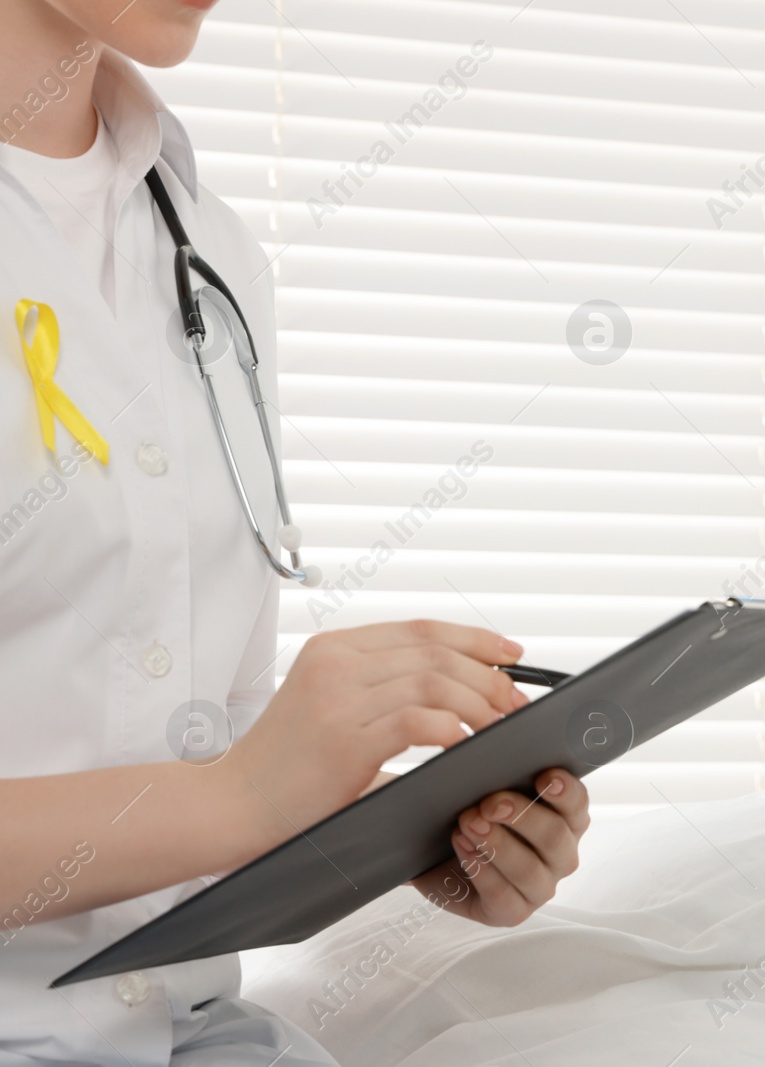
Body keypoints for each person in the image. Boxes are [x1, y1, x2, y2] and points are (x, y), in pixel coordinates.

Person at [0, 2, 588, 1062]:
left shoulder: (207, 249)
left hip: (194, 1032)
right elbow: (219, 788)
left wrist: (395, 836)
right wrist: (240, 796)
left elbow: (188, 733)